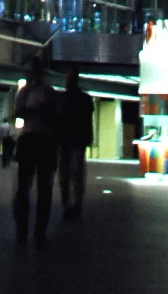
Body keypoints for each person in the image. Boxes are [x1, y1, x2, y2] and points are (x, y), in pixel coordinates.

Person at [12, 61, 61, 246]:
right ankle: (27, 228)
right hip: (35, 140)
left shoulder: (48, 93)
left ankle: (36, 229)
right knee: (30, 187)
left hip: (40, 141)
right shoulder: (25, 92)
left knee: (39, 187)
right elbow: (18, 112)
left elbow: (55, 115)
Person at [57, 65, 94, 220]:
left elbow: (57, 119)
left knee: (65, 174)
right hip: (77, 140)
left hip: (66, 139)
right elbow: (88, 121)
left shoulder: (62, 98)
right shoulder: (85, 99)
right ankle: (75, 204)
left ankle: (68, 204)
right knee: (75, 174)